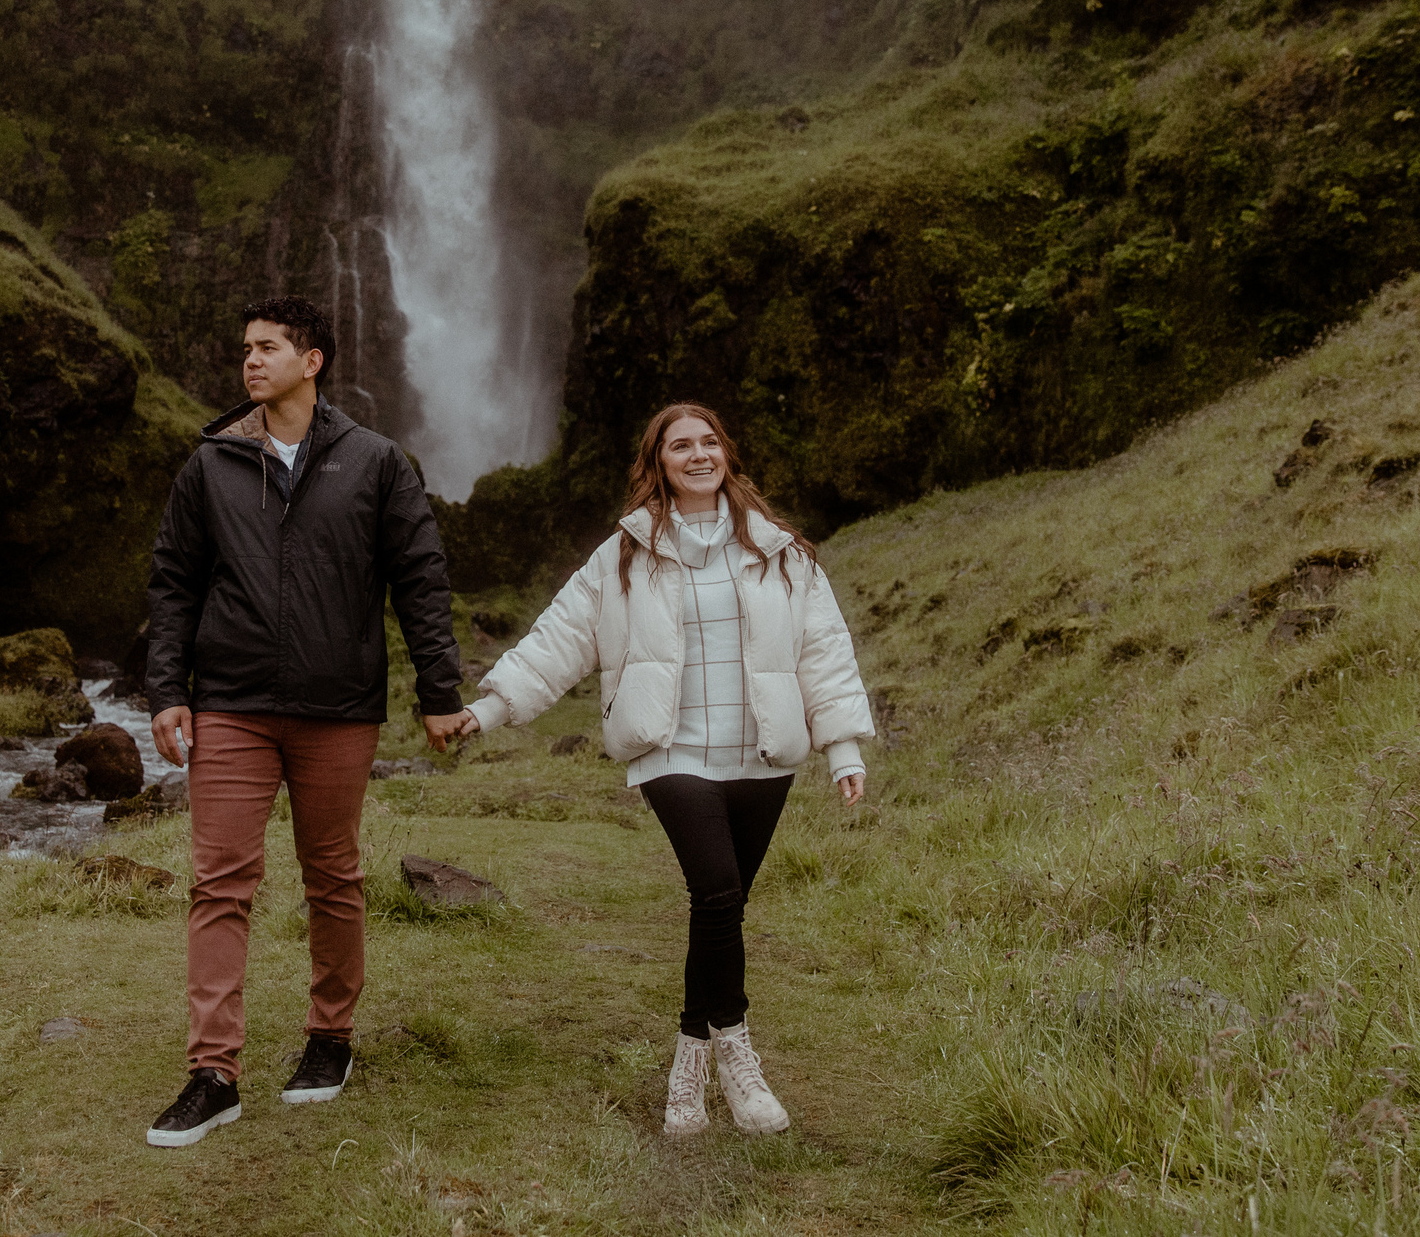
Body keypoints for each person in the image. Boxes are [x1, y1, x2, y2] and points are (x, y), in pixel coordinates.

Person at [448, 402, 873, 1136]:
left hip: (761, 752)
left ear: (726, 456)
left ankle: (690, 1053)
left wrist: (843, 746)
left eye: (710, 442)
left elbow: (823, 649)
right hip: (671, 749)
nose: (698, 453)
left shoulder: (783, 553)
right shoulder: (622, 556)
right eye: (682, 444)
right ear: (659, 462)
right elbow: (562, 638)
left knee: (723, 909)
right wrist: (488, 710)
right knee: (715, 890)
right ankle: (736, 1058)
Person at [139, 295, 469, 1147]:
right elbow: (174, 579)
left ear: (312, 359)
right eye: (246, 347)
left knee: (332, 874)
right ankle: (213, 1073)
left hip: (338, 708)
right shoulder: (210, 463)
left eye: (269, 347)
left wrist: (440, 692)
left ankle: (330, 1039)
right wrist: (166, 688)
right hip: (233, 705)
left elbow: (420, 579)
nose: (251, 361)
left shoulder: (377, 462)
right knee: (220, 882)